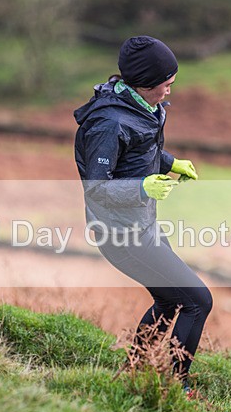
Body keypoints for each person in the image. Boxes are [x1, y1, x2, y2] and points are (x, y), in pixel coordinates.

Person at [73, 35, 213, 393]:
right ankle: (173, 388)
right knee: (197, 300)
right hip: (120, 234)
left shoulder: (143, 108)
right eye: (166, 85)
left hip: (140, 225)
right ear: (146, 83)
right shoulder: (109, 124)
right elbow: (95, 186)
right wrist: (142, 188)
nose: (170, 92)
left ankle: (136, 372)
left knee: (170, 300)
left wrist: (170, 162)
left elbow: (139, 152)